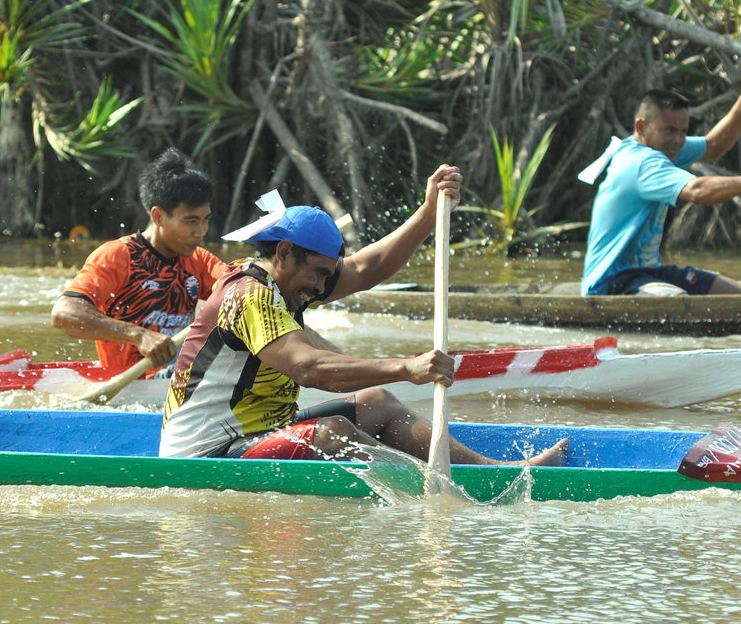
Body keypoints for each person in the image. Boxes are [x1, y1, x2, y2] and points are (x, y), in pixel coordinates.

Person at [159, 164, 569, 467]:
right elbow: (309, 368)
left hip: (261, 430)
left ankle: (489, 473)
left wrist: (428, 213)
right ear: (284, 253)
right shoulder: (249, 295)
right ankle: (432, 497)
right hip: (206, 450)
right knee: (335, 433)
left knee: (376, 402)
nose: (322, 288)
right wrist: (406, 366)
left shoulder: (292, 283)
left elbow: (366, 269)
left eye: (326, 276)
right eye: (318, 274)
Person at [579, 65, 741, 297]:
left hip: (650, 272)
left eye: (683, 132)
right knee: (679, 303)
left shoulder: (661, 147)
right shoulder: (642, 163)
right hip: (612, 282)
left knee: (738, 295)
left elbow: (715, 144)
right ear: (641, 127)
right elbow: (698, 191)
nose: (678, 140)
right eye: (670, 131)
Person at [50, 149, 229, 376]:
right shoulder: (118, 256)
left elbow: (239, 287)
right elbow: (63, 314)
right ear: (158, 217)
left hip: (180, 375)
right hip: (135, 385)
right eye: (191, 221)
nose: (201, 232)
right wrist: (139, 335)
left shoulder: (198, 259)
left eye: (205, 220)